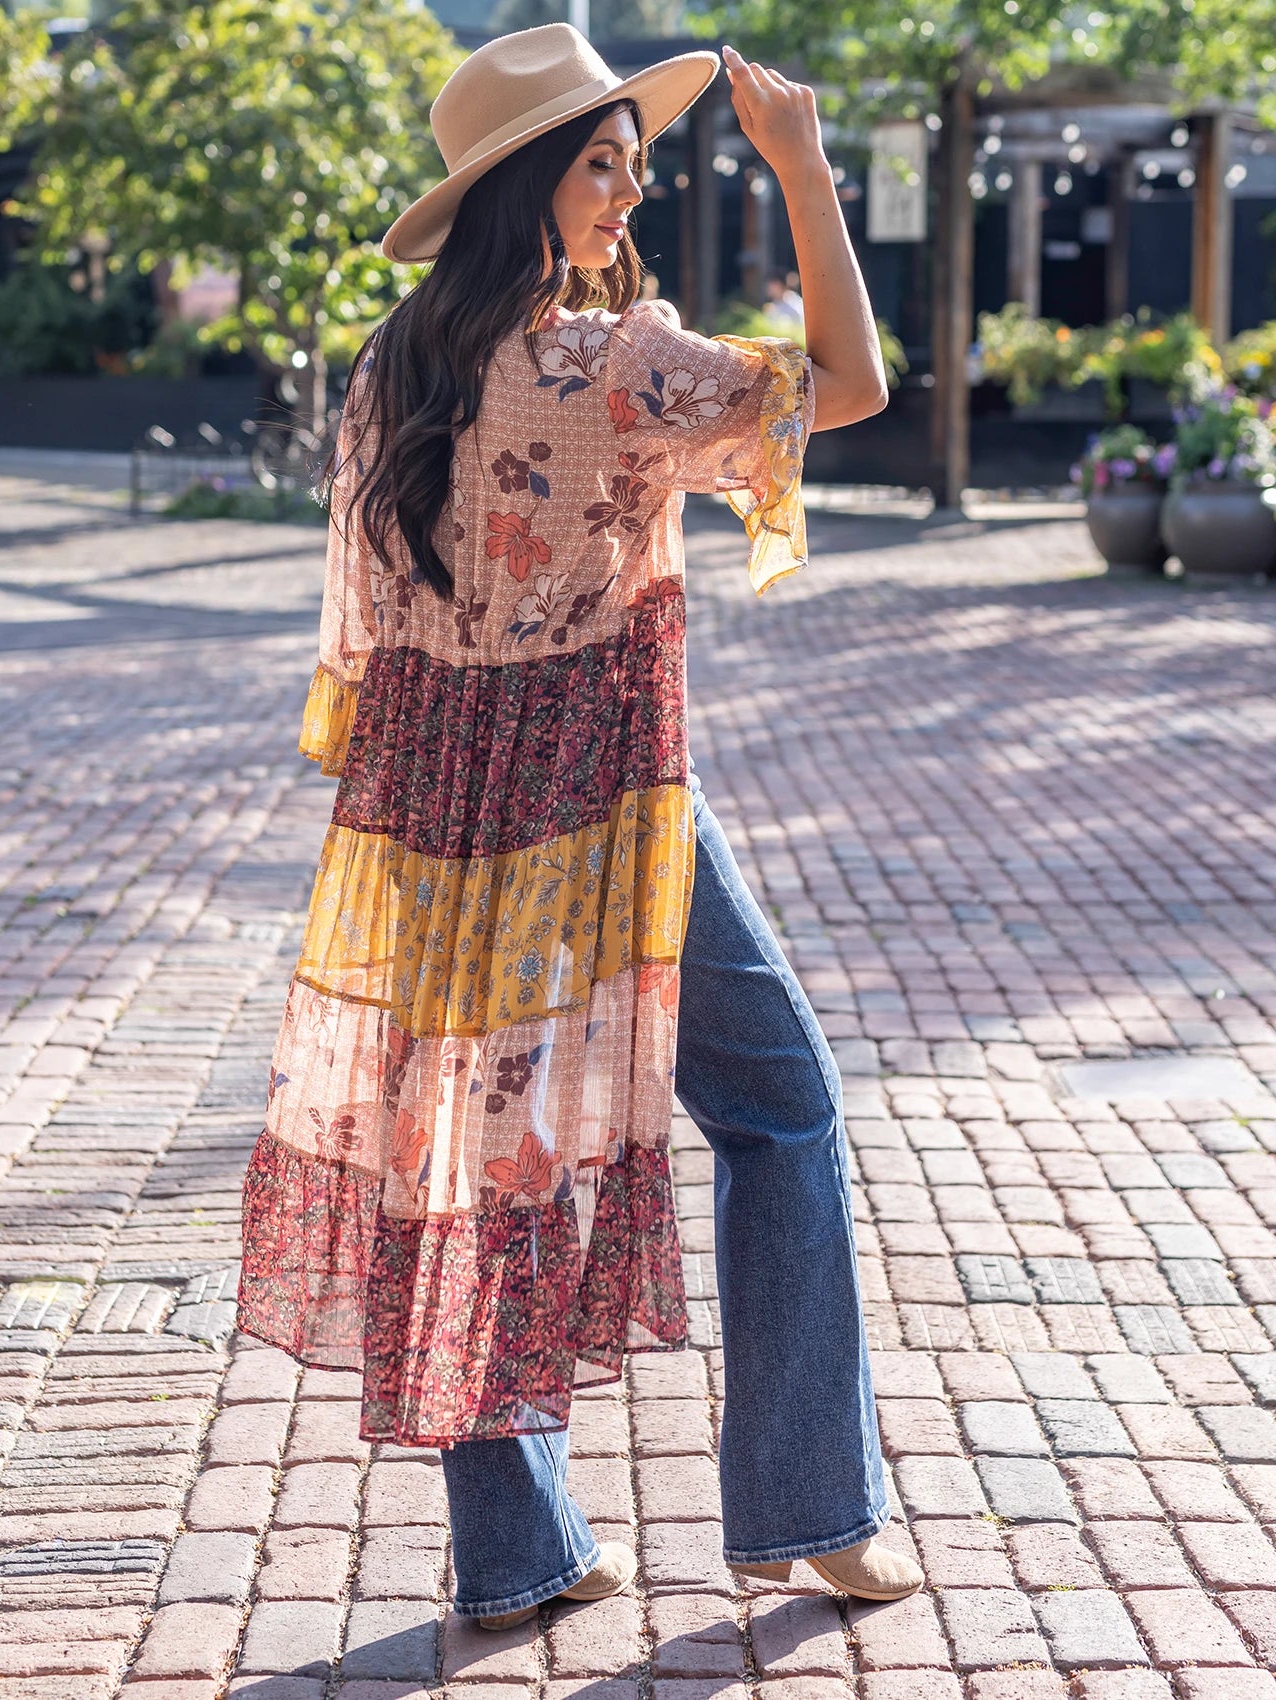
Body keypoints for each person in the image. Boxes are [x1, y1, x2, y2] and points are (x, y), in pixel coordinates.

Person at [236, 21, 922, 1632]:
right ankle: (812, 1510)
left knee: (470, 1152)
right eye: (599, 165)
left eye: (631, 162)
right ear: (524, 189)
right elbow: (857, 386)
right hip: (606, 804)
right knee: (784, 1111)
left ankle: (518, 1552)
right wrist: (808, 173)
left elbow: (370, 622)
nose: (626, 193)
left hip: (436, 814)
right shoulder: (612, 367)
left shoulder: (394, 365)